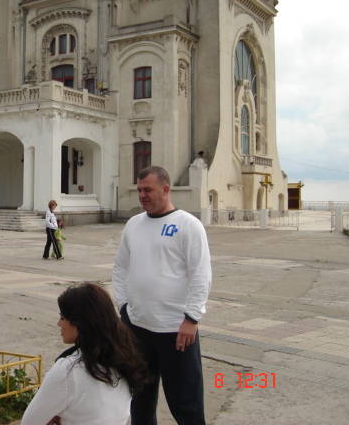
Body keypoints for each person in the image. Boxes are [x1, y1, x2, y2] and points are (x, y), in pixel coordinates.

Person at [113, 166, 212, 425]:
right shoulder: (134, 225)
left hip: (176, 332)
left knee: (186, 403)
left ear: (166, 189)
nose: (142, 195)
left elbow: (201, 274)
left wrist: (192, 318)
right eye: (139, 190)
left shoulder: (188, 225)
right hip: (137, 328)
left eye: (148, 190)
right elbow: (121, 267)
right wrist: (124, 307)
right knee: (140, 401)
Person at [21, 282, 147, 425]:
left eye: (63, 317)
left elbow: (29, 422)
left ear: (79, 323)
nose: (59, 324)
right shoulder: (124, 360)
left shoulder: (68, 370)